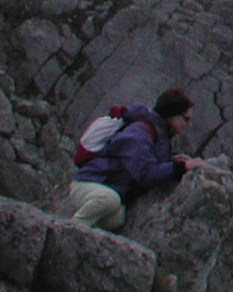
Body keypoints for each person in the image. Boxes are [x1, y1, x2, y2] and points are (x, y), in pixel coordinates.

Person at [68, 88, 208, 231]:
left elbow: (145, 161)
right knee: (110, 200)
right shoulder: (139, 133)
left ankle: (86, 235)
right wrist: (181, 167)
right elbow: (145, 174)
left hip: (106, 187)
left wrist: (172, 161)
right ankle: (73, 228)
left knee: (116, 220)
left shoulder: (160, 134)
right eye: (186, 119)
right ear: (172, 115)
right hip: (88, 184)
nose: (188, 124)